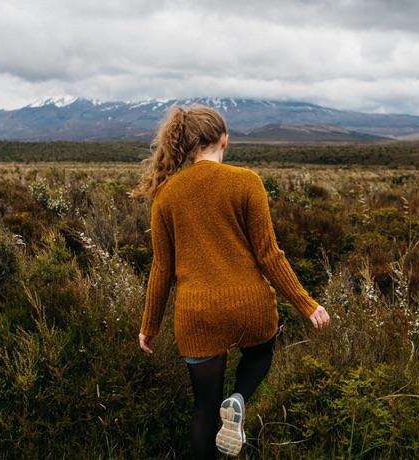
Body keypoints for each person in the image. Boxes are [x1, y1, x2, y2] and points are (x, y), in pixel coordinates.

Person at [129, 104, 330, 459]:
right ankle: (238, 399)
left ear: (184, 145)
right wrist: (307, 304)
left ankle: (221, 412)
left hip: (197, 315)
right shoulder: (247, 181)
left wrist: (150, 324)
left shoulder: (166, 195)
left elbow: (162, 268)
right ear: (224, 141)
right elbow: (270, 255)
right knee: (262, 352)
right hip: (249, 306)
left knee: (204, 409)